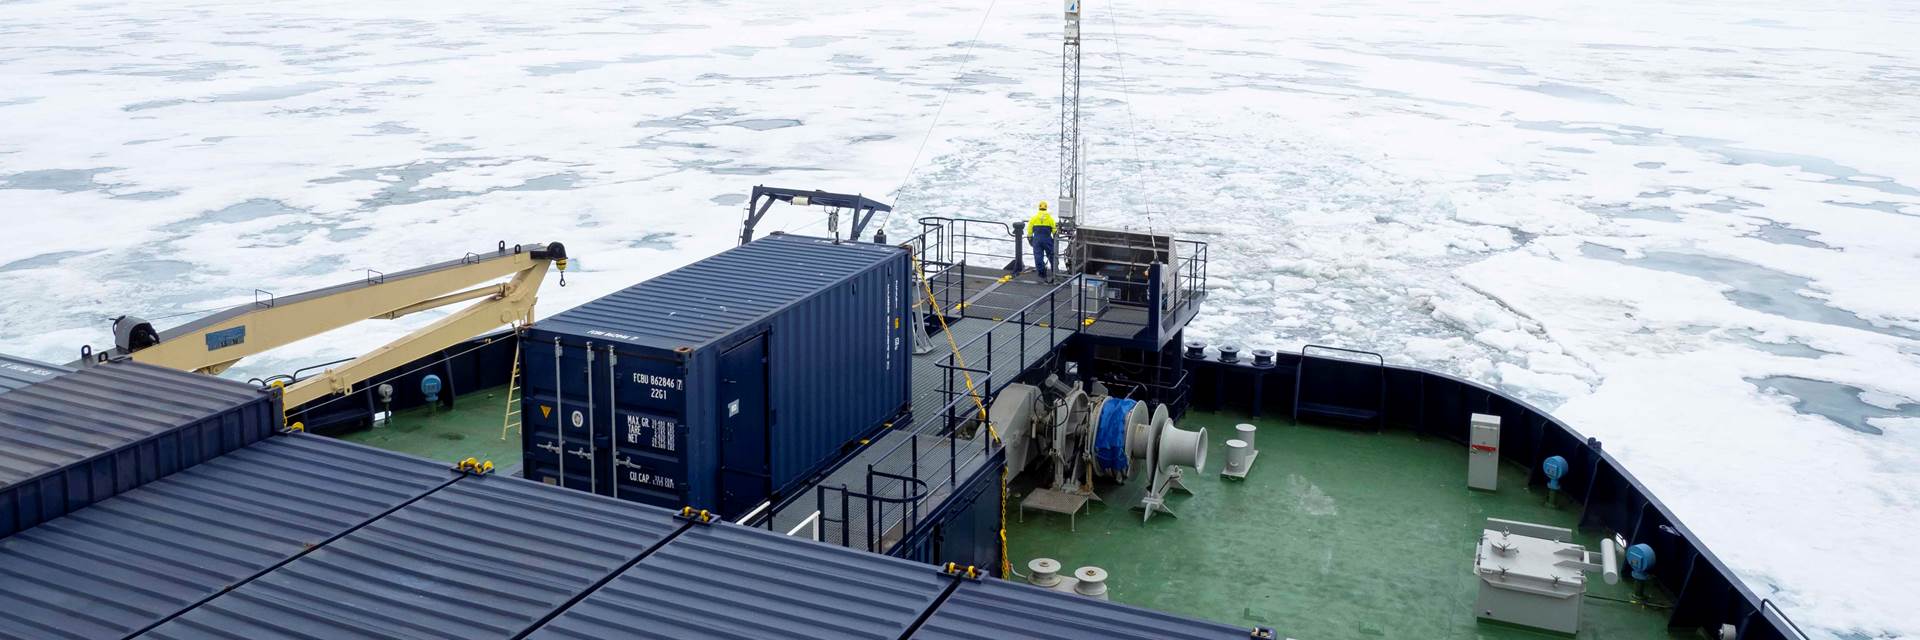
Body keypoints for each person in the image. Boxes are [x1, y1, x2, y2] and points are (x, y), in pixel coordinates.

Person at [1028, 200, 1057, 282]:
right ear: (1046, 208)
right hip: (1047, 239)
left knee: (1038, 256)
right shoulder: (1050, 219)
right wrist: (1054, 239)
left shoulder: (1034, 218)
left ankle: (1042, 273)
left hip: (1037, 239)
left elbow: (1029, 229)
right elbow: (1055, 231)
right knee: (1051, 255)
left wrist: (1030, 238)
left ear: (1039, 208)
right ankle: (1054, 271)